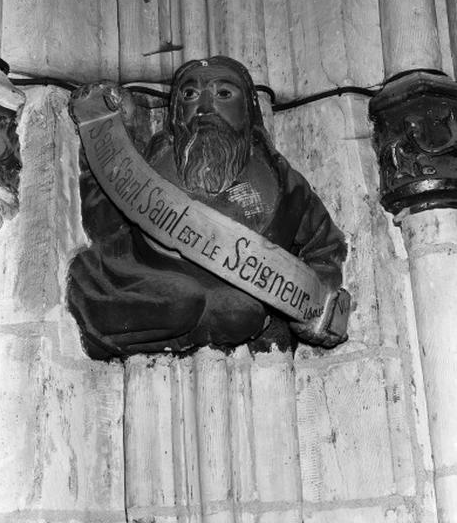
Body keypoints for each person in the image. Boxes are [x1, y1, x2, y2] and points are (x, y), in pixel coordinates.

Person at [67, 56, 347, 360]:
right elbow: (103, 225)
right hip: (132, 285)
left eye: (223, 93)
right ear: (176, 113)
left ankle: (202, 331)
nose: (205, 106)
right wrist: (117, 134)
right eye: (189, 95)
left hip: (235, 307)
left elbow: (325, 247)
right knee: (180, 299)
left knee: (242, 312)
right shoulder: (150, 160)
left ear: (248, 110)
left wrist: (317, 303)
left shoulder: (283, 182)